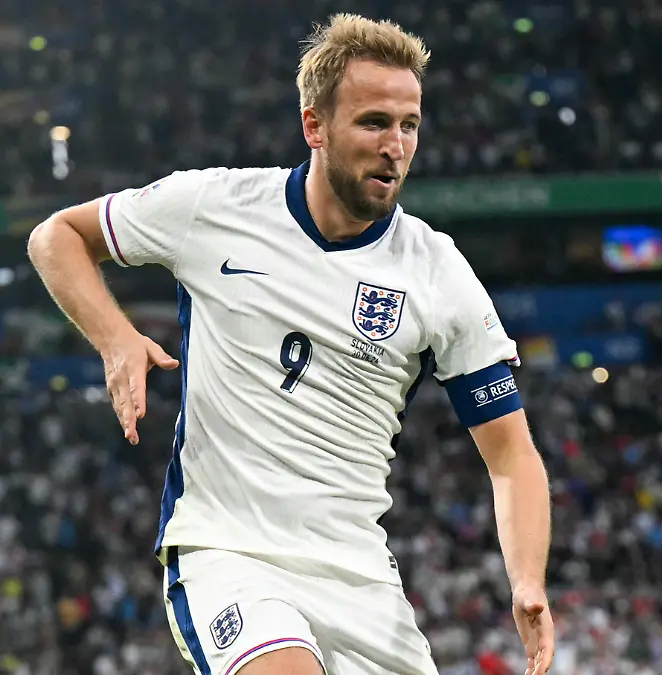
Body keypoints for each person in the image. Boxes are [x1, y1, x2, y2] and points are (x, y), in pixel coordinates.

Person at [26, 14, 554, 675]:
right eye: (374, 122)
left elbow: (511, 455)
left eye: (409, 125)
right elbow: (56, 237)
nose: (395, 146)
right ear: (314, 126)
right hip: (230, 553)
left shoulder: (437, 271)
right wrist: (115, 337)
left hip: (361, 580)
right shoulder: (216, 207)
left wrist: (527, 580)